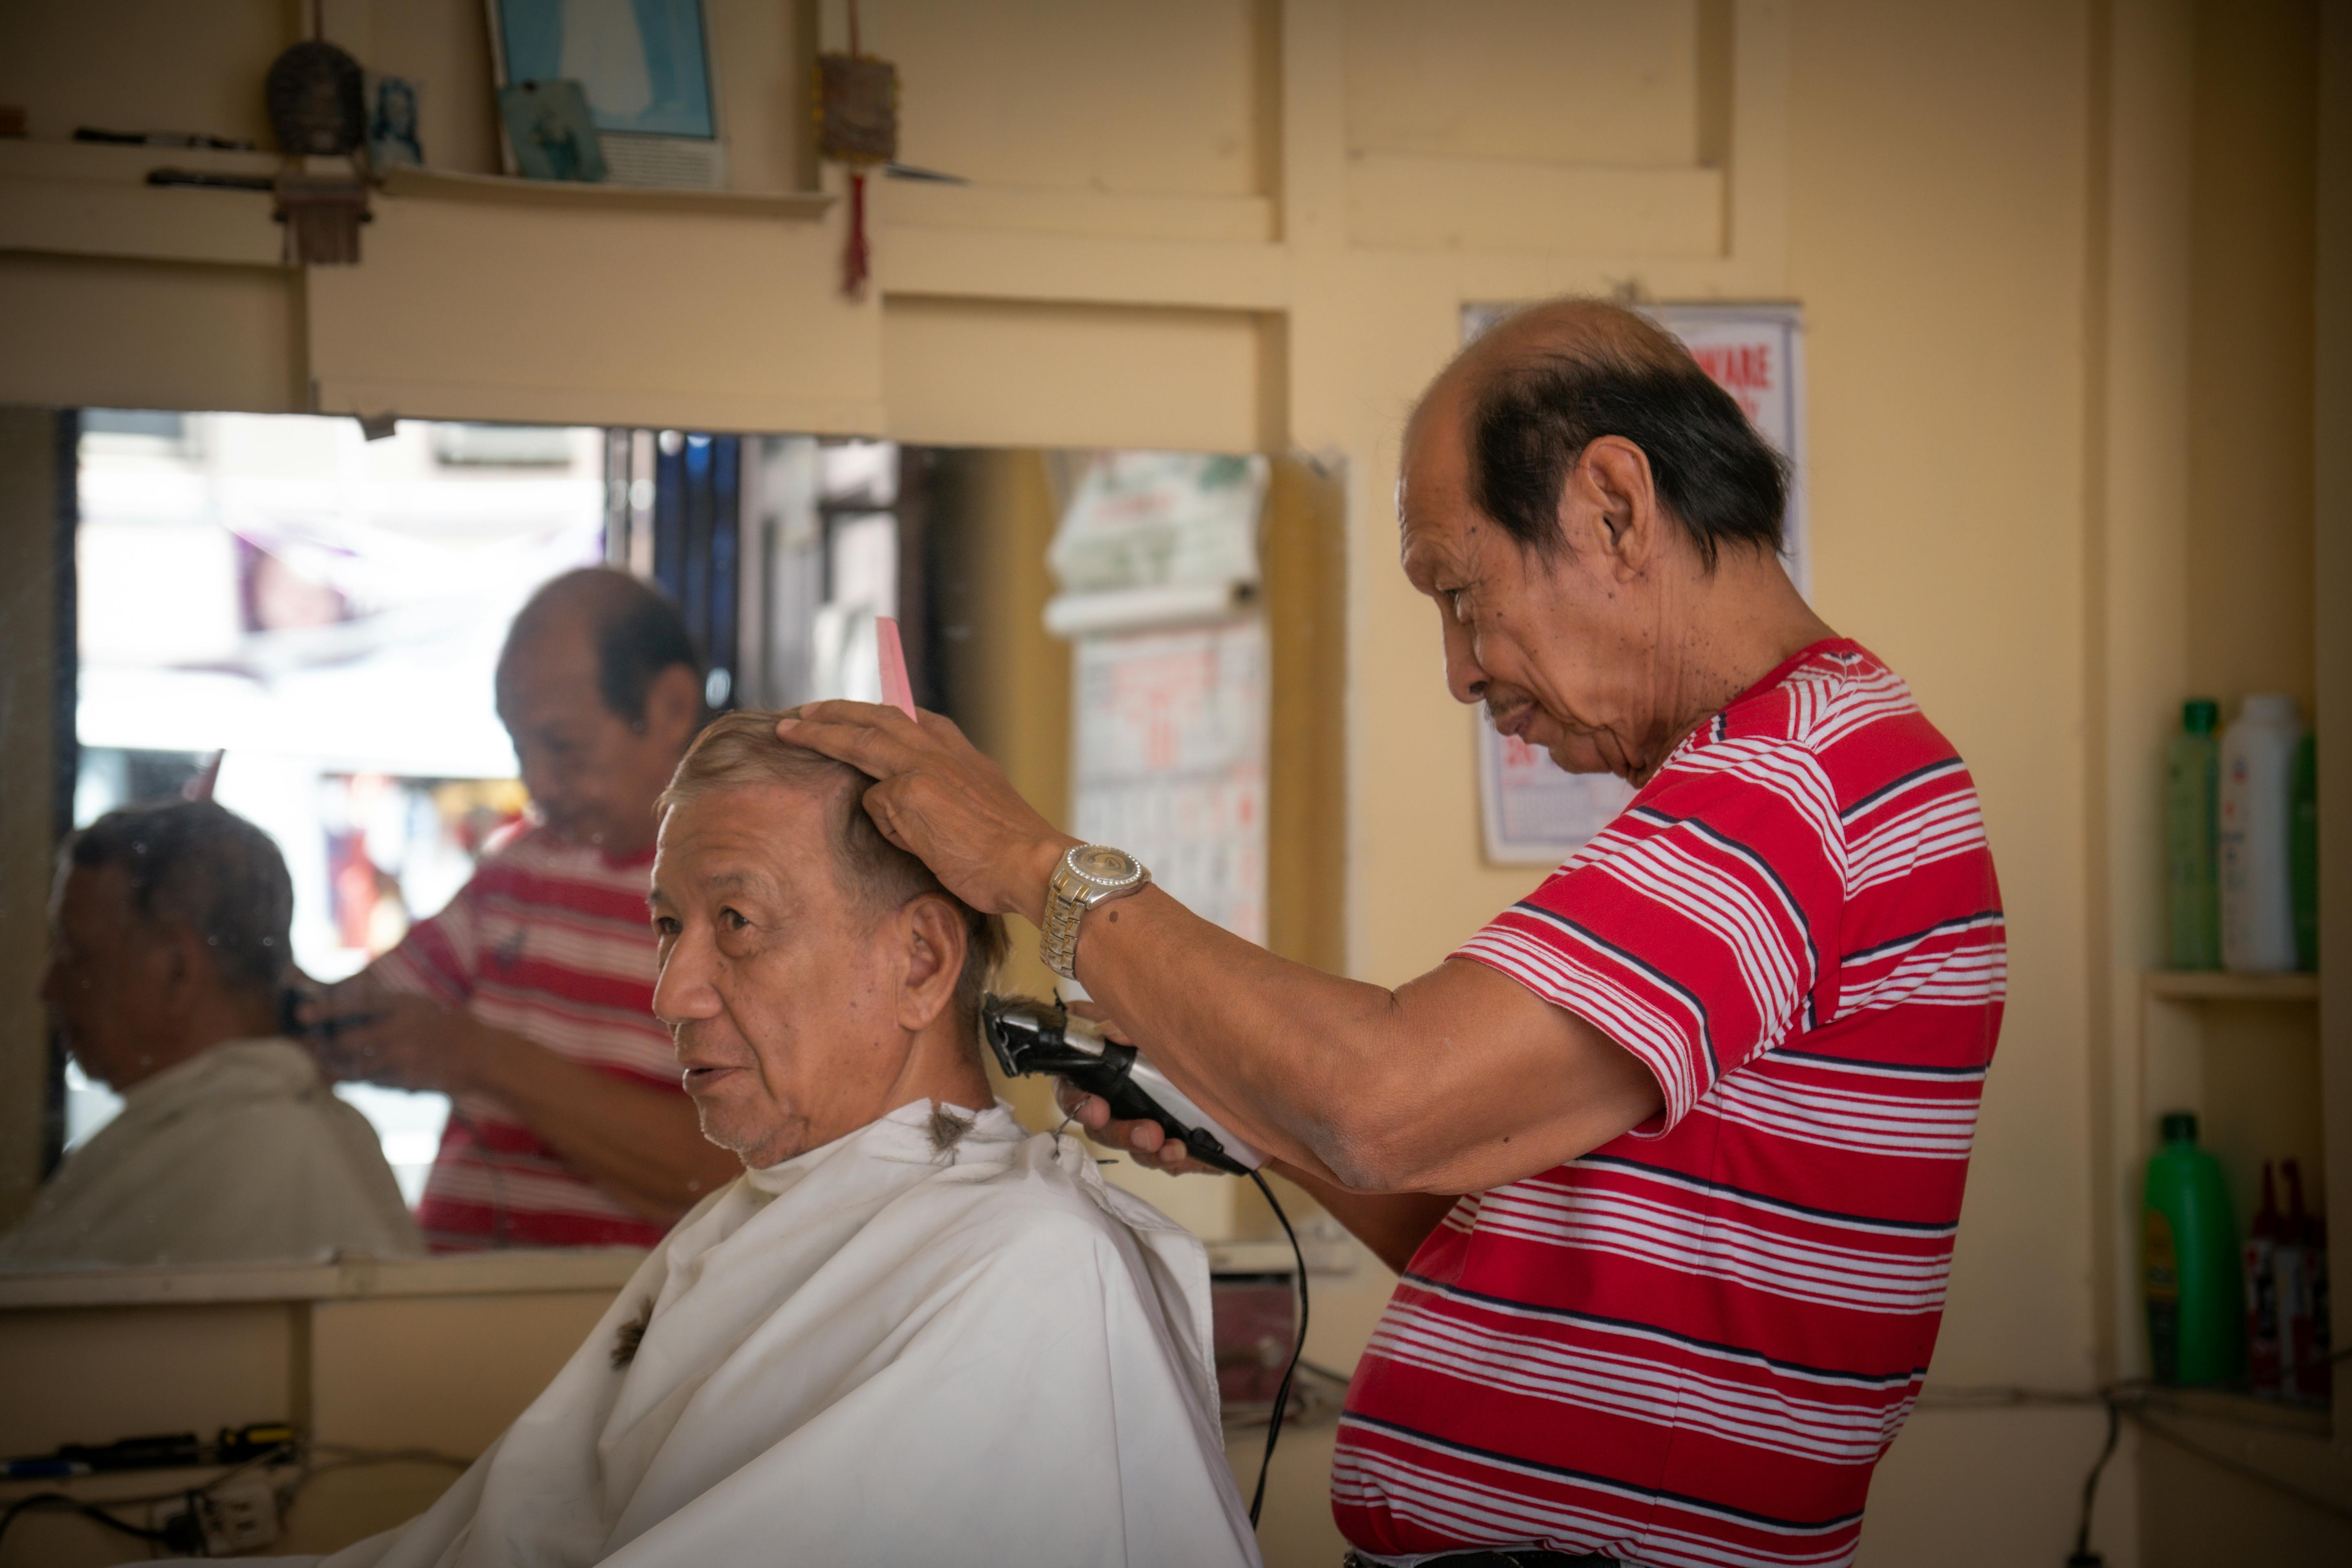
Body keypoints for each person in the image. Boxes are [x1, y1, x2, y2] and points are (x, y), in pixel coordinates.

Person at [776, 298, 2007, 1568]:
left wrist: (1040, 866)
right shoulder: (1791, 778)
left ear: (1612, 508)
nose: (1460, 670)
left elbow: (1382, 1098)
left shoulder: (1796, 786)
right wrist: (1250, 1110)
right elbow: (1495, 1236)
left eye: (1461, 592)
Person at [224, 714, 1259, 1568]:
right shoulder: (761, 1213)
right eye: (669, 925)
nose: (669, 992)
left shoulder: (1026, 1269)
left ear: (920, 962)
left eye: (739, 922)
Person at [315, 569, 739, 1250]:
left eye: (562, 746)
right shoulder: (517, 875)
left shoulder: (747, 904)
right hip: (440, 1318)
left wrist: (481, 1058)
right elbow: (350, 1021)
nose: (535, 783)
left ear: (669, 707)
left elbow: (729, 1170)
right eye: (520, 748)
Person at [2, 800, 421, 1267]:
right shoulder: (323, 1139)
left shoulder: (240, 1159)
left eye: (77, 954)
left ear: (177, 970)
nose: (48, 988)